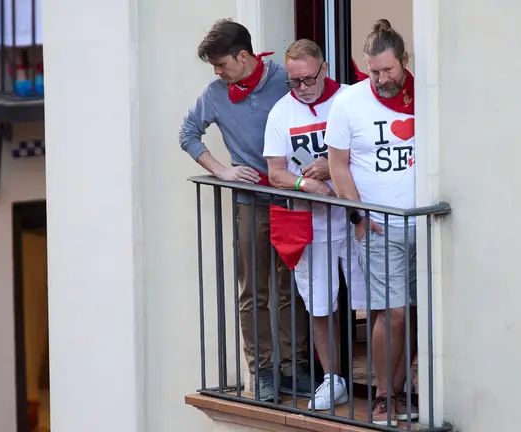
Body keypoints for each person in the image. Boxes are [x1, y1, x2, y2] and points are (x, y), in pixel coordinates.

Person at [178, 18, 312, 402]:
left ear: (243, 55)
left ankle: (294, 368)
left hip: (293, 196)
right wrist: (223, 171)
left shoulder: (287, 78)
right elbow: (187, 133)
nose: (218, 72)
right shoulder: (215, 94)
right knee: (254, 292)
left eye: (222, 64)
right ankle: (263, 372)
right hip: (251, 202)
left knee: (292, 288)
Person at [263, 39, 368, 411]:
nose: (303, 88)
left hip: (357, 217)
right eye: (294, 82)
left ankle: (386, 383)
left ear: (324, 69)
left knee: (375, 299)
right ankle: (334, 379)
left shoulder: (351, 98)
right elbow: (275, 173)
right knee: (320, 305)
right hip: (311, 223)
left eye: (309, 79)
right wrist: (307, 184)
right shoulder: (282, 112)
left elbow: (371, 151)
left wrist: (334, 167)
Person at [326, 19, 419, 425]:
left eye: (388, 70)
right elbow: (338, 166)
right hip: (379, 226)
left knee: (416, 312)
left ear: (404, 61)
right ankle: (381, 395)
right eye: (373, 71)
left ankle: (399, 390)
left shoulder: (426, 94)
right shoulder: (348, 102)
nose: (380, 79)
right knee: (391, 311)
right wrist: (358, 217)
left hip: (426, 222)